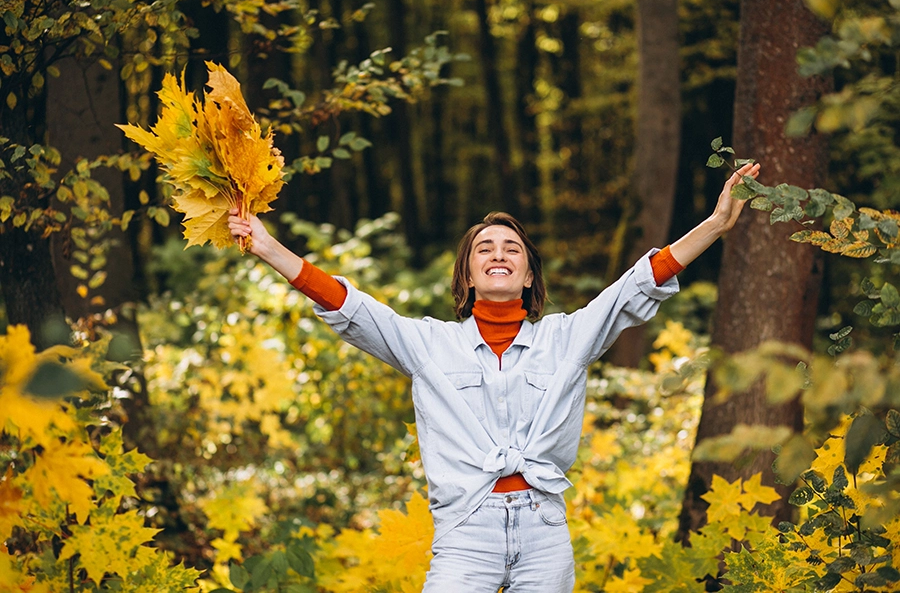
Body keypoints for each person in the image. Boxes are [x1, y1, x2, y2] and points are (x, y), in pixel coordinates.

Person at [227, 162, 761, 592]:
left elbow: (638, 284)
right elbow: (351, 307)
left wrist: (715, 225)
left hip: (544, 531)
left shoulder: (565, 338)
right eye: (485, 248)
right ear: (468, 274)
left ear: (528, 276)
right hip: (465, 534)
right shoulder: (430, 344)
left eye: (512, 249)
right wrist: (269, 247)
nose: (498, 254)